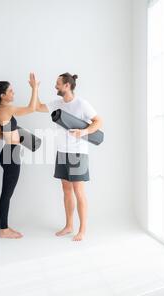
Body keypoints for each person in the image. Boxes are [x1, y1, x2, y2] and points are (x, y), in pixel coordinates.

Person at [37, 73, 103, 241]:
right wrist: (34, 88)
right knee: (66, 190)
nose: (55, 86)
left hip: (78, 153)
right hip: (62, 152)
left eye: (58, 83)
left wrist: (85, 131)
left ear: (67, 85)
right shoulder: (57, 103)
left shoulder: (81, 104)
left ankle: (82, 230)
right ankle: (68, 225)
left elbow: (98, 121)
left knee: (78, 191)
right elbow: (38, 107)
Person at [0, 73, 40, 239]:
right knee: (6, 194)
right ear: (3, 96)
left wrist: (14, 135)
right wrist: (35, 88)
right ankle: (4, 229)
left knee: (6, 193)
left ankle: (4, 227)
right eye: (10, 91)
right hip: (11, 154)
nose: (13, 93)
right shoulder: (7, 109)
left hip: (8, 152)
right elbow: (32, 109)